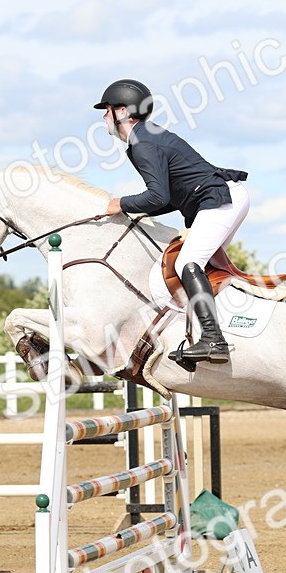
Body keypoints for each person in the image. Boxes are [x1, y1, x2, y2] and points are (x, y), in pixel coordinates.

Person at [95, 78, 250, 364]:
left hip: (220, 199)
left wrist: (121, 204)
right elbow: (166, 199)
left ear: (122, 111)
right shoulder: (143, 137)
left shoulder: (142, 142)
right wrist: (134, 213)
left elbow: (156, 196)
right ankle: (205, 330)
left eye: (106, 109)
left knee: (187, 264)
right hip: (217, 199)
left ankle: (214, 341)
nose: (104, 116)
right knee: (194, 264)